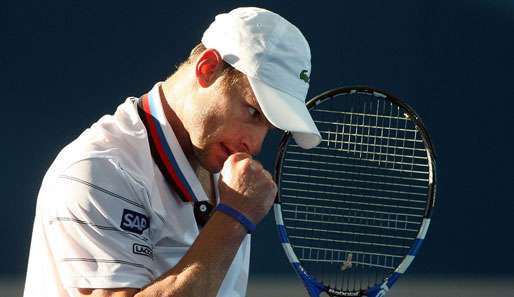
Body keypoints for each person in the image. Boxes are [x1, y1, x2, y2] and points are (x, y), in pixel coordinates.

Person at [23, 7, 321, 297]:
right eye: (253, 112)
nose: (254, 146)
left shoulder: (223, 167)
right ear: (207, 69)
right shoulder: (100, 172)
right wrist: (232, 220)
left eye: (268, 126)